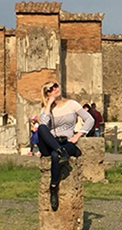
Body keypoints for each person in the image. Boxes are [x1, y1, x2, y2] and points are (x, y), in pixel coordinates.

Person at [37, 81, 94, 210]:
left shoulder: (72, 104)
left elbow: (90, 119)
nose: (55, 89)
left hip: (67, 141)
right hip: (51, 143)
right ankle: (60, 150)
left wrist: (78, 135)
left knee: (55, 155)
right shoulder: (46, 110)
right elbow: (44, 123)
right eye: (50, 89)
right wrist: (49, 104)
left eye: (56, 86)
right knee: (41, 127)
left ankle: (53, 187)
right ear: (46, 94)